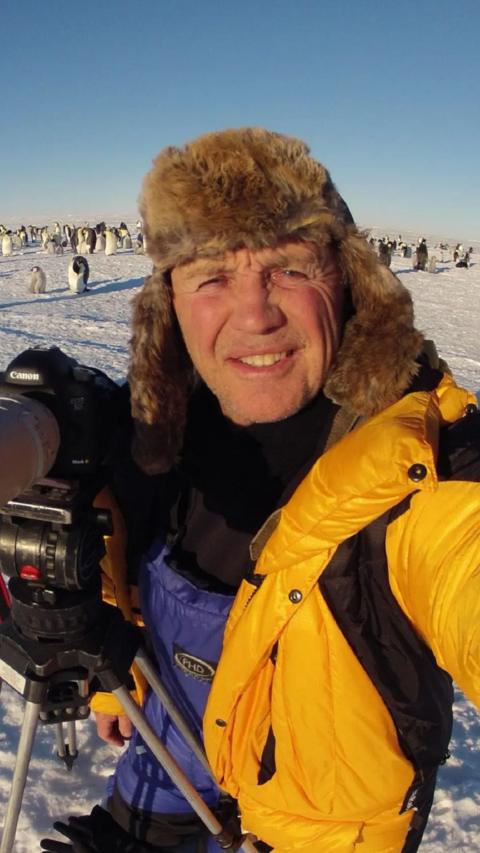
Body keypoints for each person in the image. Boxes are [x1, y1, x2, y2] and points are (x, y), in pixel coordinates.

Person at [41, 128, 480, 853]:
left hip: (310, 828)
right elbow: (108, 557)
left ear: (348, 280)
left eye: (289, 267)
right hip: (170, 747)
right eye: (211, 275)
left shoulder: (423, 471)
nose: (255, 314)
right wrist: (106, 681)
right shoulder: (154, 439)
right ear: (168, 305)